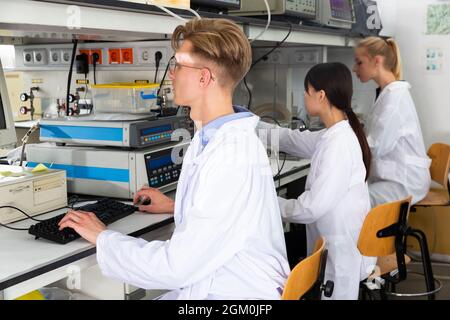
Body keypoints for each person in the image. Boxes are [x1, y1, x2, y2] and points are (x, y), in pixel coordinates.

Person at [58, 18, 290, 300]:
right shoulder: (212, 135)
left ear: (204, 77)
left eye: (178, 65)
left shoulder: (231, 155)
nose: (171, 74)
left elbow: (176, 267)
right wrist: (174, 204)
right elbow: (219, 214)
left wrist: (102, 237)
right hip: (222, 282)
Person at [258, 63, 376, 300]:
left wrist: (265, 200)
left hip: (340, 254)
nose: (303, 96)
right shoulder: (336, 133)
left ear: (321, 95)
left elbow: (309, 208)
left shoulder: (339, 145)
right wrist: (250, 124)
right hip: (335, 244)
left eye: (306, 90)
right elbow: (292, 139)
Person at [353, 37, 431, 207]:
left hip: (405, 182)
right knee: (350, 194)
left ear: (377, 61)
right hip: (397, 177)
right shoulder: (388, 93)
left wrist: (341, 145)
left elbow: (375, 147)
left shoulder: (394, 99)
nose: (354, 68)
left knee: (352, 200)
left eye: (359, 63)